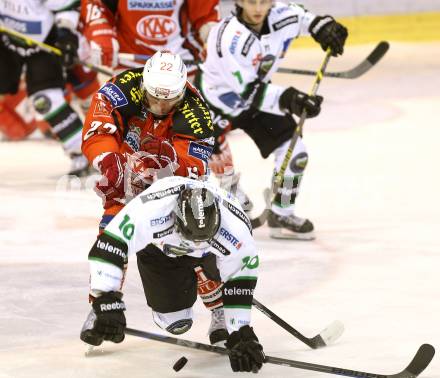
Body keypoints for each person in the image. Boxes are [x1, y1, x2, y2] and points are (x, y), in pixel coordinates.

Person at [82, 50, 230, 345]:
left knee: (194, 244)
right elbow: (96, 127)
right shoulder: (120, 88)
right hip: (124, 179)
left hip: (172, 188)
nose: (161, 105)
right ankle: (101, 306)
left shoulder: (196, 113)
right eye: (154, 98)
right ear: (144, 87)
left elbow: (189, 170)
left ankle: (220, 311)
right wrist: (109, 162)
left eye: (169, 100)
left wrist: (156, 174)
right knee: (110, 237)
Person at [80, 176, 266, 373]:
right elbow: (110, 246)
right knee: (175, 323)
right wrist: (107, 299)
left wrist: (240, 332)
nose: (195, 245)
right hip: (163, 254)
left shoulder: (235, 226)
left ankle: (217, 300)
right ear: (175, 217)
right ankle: (198, 277)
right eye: (191, 240)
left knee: (224, 266)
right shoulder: (152, 210)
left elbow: (240, 278)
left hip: (211, 256)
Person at [197, 0, 348, 240]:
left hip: (257, 100)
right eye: (251, 2)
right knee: (211, 155)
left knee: (295, 151)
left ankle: (281, 212)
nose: (258, 9)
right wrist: (292, 99)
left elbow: (307, 20)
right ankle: (228, 187)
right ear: (238, 2)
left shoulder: (283, 14)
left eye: (264, 2)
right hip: (216, 102)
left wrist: (325, 28)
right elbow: (249, 91)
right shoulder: (229, 37)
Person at [0, 0, 90, 175]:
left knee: (45, 99)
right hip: (6, 39)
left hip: (43, 44)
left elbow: (67, 6)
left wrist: (66, 35)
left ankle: (82, 152)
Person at [80, 0, 219, 76]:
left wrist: (213, 41)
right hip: (130, 65)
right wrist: (101, 33)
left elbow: (206, 17)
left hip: (183, 66)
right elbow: (97, 5)